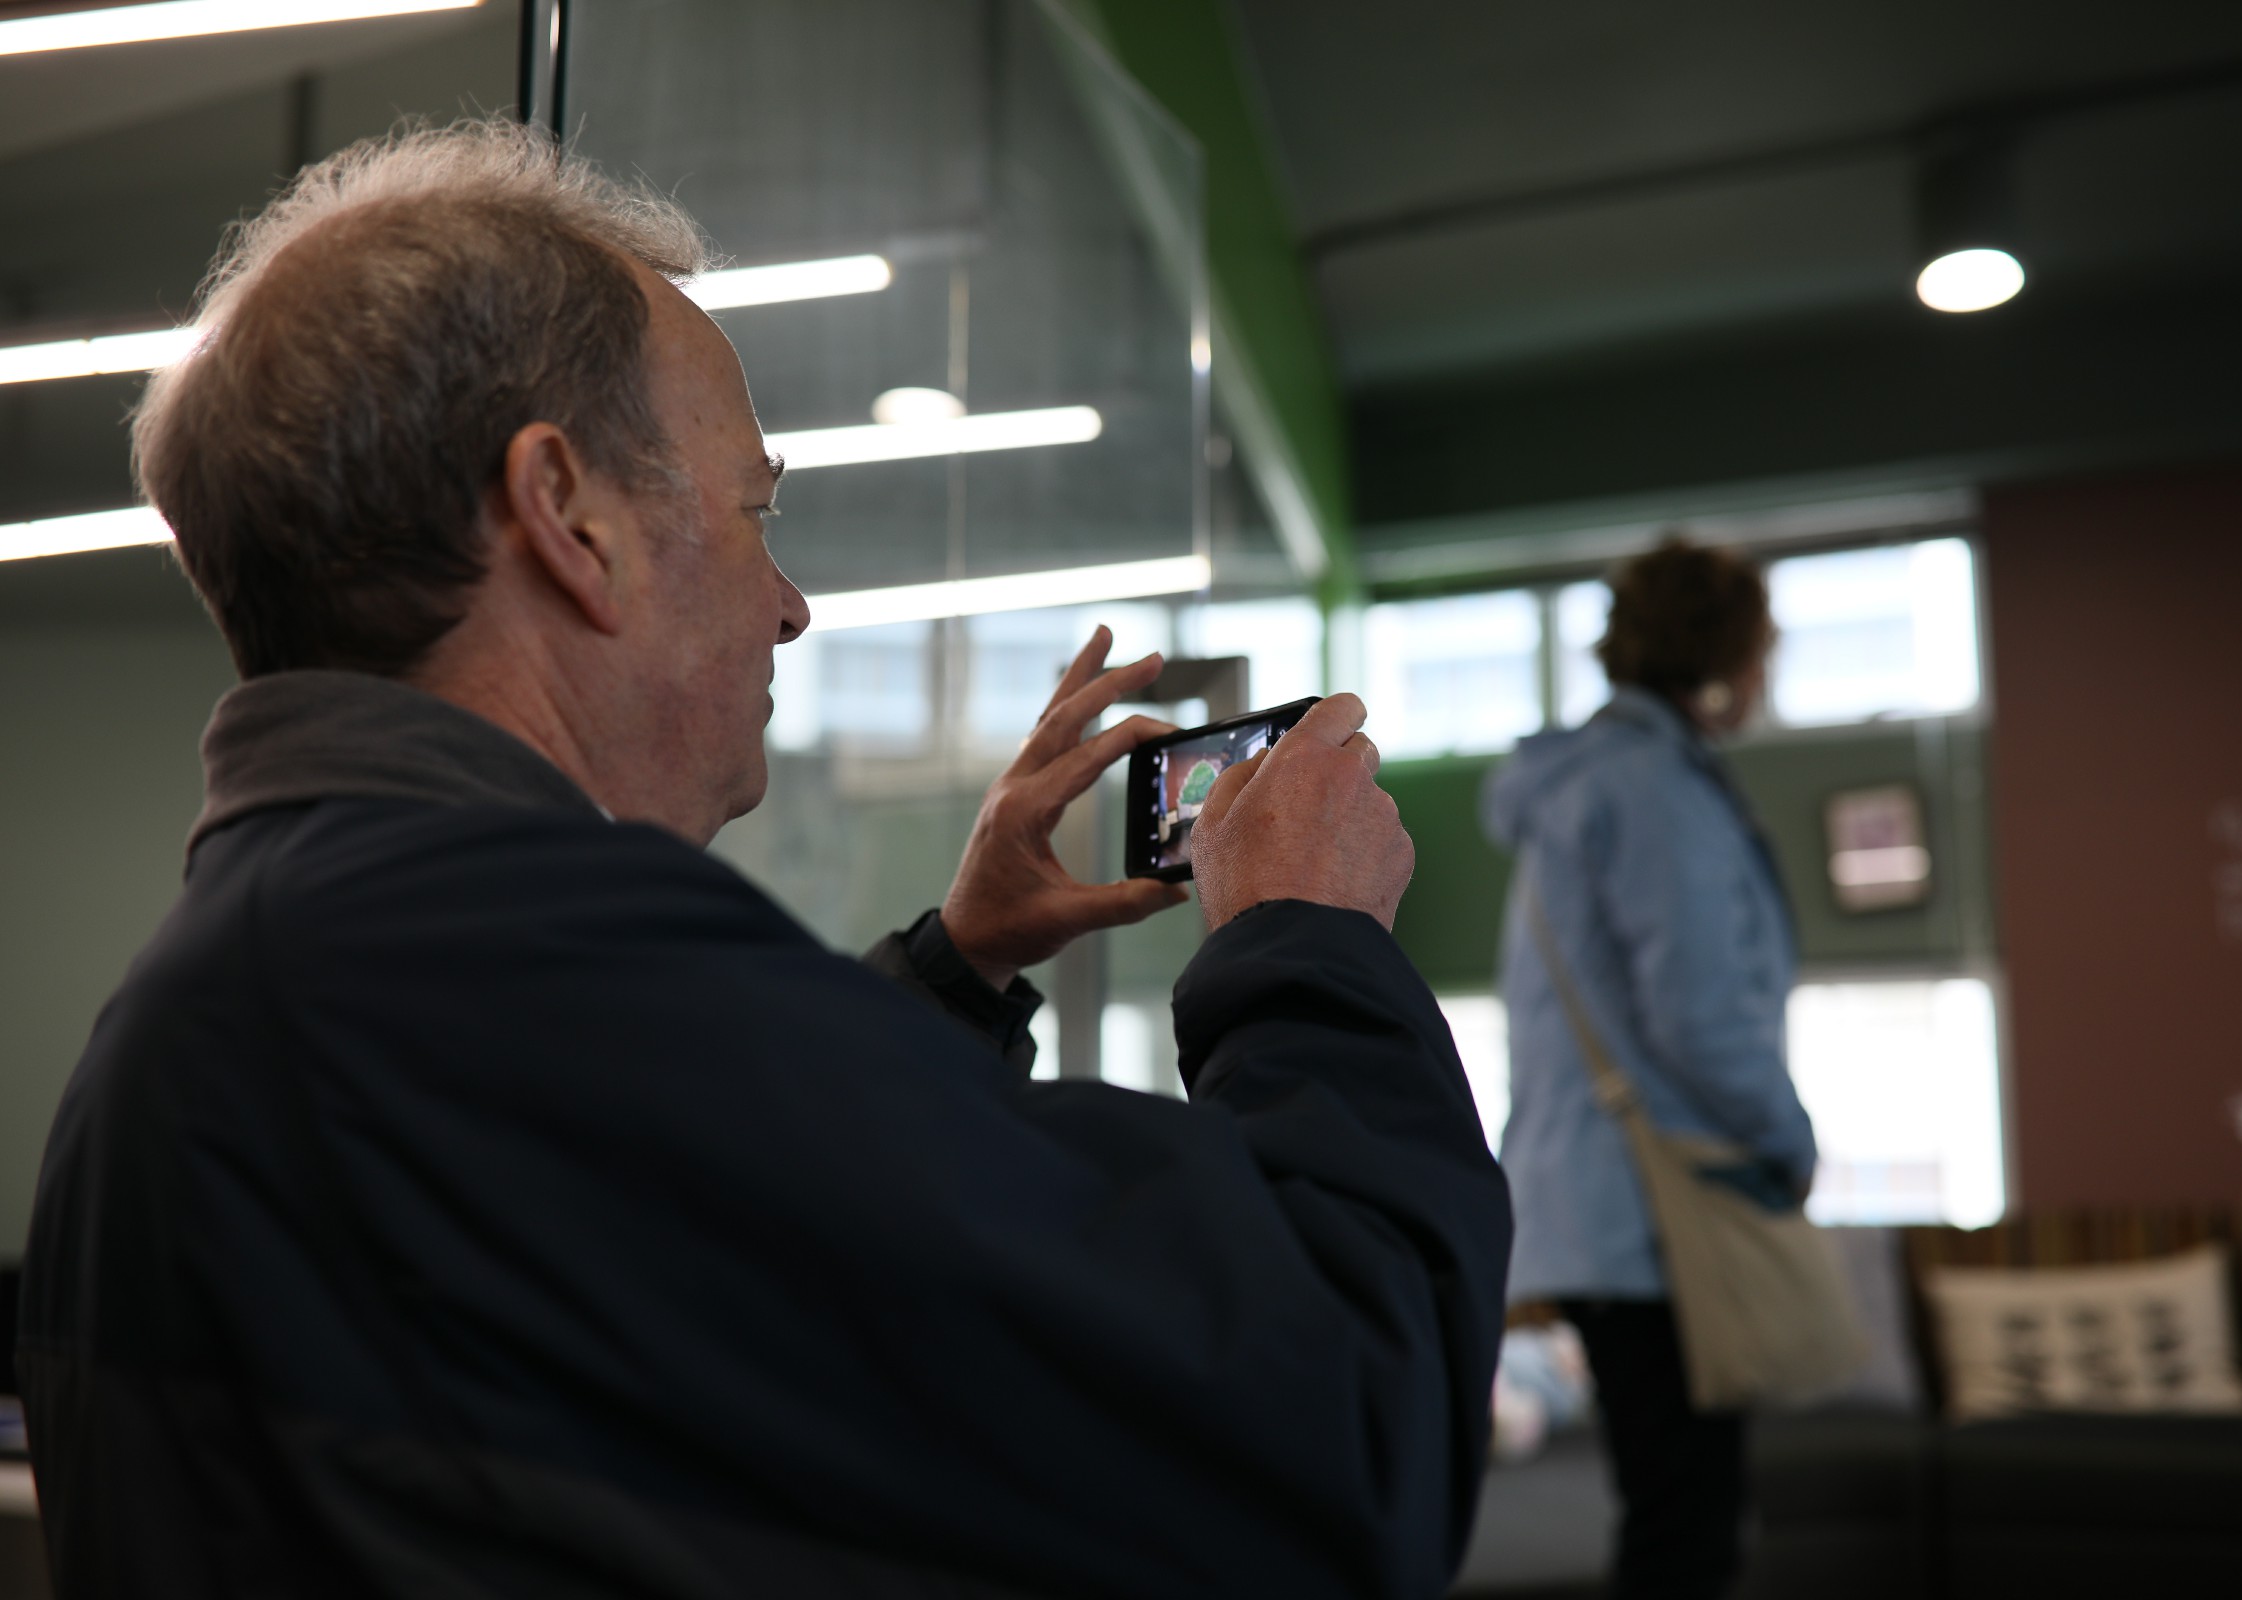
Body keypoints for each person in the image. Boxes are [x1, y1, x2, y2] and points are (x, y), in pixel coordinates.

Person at [16, 121, 1511, 1599]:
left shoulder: (197, 1018)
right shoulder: (556, 990)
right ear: (566, 516)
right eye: (755, 511)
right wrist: (1307, 946)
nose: (790, 606)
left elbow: (673, 1303)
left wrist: (954, 972)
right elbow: (1345, 1430)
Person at [1481, 540, 1812, 1600]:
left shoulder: (1582, 785)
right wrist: (1790, 1142)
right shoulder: (1651, 787)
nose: (1766, 672)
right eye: (1761, 649)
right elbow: (1701, 1015)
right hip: (1651, 1215)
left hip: (1596, 1208)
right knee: (1687, 1532)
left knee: (1671, 1514)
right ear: (1720, 657)